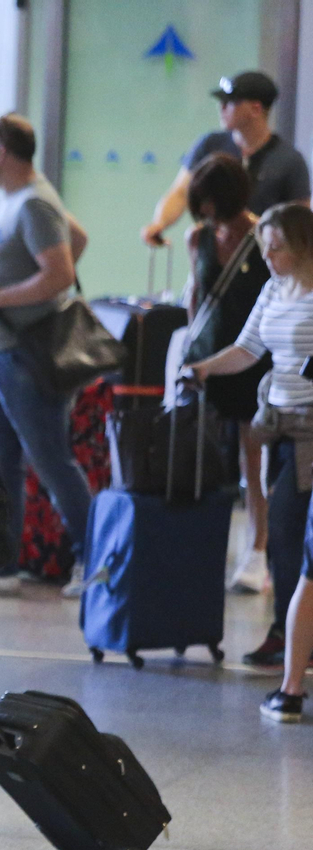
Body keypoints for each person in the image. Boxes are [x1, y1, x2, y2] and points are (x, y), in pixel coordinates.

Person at [0, 113, 93, 598]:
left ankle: (95, 561)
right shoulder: (23, 199)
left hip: (27, 355)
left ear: (0, 152)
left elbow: (60, 273)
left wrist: (1, 298)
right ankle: (2, 565)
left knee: (52, 461)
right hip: (4, 353)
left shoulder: (35, 203)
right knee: (2, 463)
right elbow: (77, 239)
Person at [190, 204, 313, 677]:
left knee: (288, 530)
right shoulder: (274, 289)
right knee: (283, 535)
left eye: (276, 248)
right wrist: (203, 368)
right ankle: (289, 631)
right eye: (265, 247)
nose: (267, 257)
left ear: (303, 246)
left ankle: (291, 632)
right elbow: (248, 349)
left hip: (309, 430)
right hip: (277, 426)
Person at [182, 154, 272, 595]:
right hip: (208, 361)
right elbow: (196, 296)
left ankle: (258, 549)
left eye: (211, 201)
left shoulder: (264, 238)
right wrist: (190, 352)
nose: (206, 211)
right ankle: (203, 546)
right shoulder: (198, 238)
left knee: (253, 460)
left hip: (253, 361)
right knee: (204, 458)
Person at [142, 71, 310, 248]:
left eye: (231, 102)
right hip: (214, 255)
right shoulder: (210, 145)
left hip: (263, 256)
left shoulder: (290, 161)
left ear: (255, 109)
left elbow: (300, 224)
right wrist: (159, 224)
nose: (221, 107)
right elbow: (181, 192)